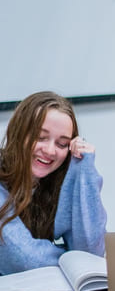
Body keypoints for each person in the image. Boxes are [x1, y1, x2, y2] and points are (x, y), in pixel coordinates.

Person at [0, 91, 106, 275]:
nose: (50, 151)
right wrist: (73, 263)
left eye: (62, 144)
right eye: (40, 138)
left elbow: (91, 252)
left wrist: (84, 169)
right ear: (19, 132)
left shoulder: (56, 181)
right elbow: (22, 259)